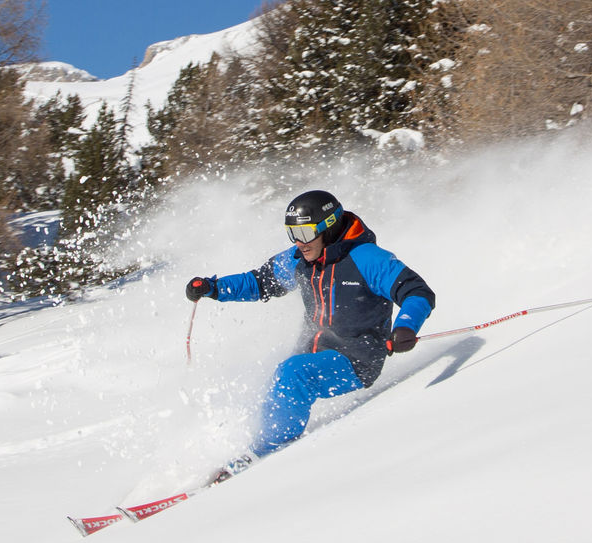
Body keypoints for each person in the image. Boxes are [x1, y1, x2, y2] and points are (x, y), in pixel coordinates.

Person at [185, 189, 434, 479]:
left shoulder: (366, 258)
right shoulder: (299, 259)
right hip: (312, 352)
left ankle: (262, 456)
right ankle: (254, 445)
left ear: (328, 227)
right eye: (292, 233)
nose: (298, 242)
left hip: (356, 359)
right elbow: (259, 282)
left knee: (293, 375)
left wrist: (405, 326)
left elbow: (416, 291)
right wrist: (215, 288)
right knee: (277, 379)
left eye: (304, 232)